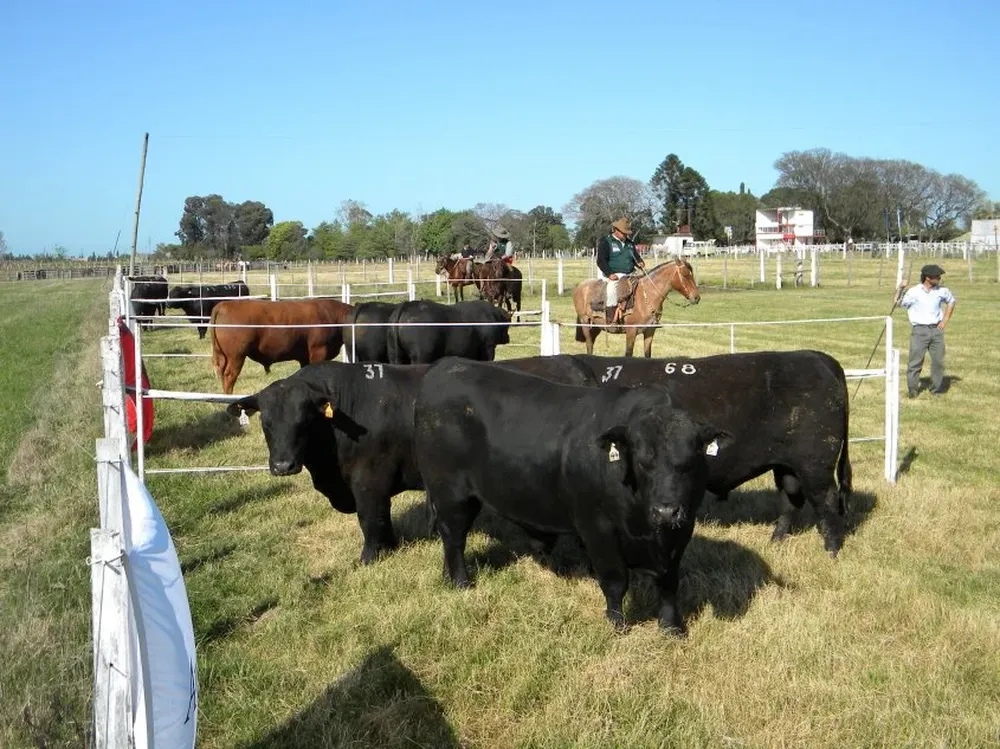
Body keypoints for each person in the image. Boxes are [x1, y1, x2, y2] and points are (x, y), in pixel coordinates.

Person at [894, 263, 956, 398]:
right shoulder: (913, 292)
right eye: (937, 276)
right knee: (915, 362)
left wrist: (945, 320)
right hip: (919, 331)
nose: (939, 278)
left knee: (938, 362)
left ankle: (936, 390)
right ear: (928, 277)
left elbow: (951, 301)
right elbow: (897, 303)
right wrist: (900, 288)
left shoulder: (942, 291)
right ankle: (913, 391)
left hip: (936, 331)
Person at [596, 217, 645, 324]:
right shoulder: (606, 242)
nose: (626, 235)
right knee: (612, 290)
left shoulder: (630, 244)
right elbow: (601, 261)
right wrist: (610, 274)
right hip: (614, 275)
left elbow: (636, 258)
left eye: (627, 233)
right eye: (624, 233)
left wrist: (640, 262)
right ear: (616, 230)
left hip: (631, 274)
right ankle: (611, 317)